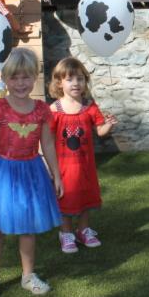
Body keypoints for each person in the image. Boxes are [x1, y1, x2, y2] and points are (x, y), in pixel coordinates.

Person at [0, 48, 64, 297]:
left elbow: (48, 145)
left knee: (28, 228)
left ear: (35, 78)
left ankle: (28, 275)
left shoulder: (42, 110)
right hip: (2, 173)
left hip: (31, 171)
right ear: (6, 79)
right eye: (15, 78)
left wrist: (56, 175)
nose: (21, 83)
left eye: (26, 77)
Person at [49, 57, 117, 254]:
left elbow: (101, 131)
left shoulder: (90, 107)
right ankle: (66, 233)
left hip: (85, 165)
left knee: (86, 197)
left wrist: (109, 124)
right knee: (65, 198)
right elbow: (48, 140)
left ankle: (84, 230)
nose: (76, 84)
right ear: (59, 83)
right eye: (70, 79)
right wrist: (50, 166)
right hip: (63, 167)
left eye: (80, 79)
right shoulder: (53, 110)